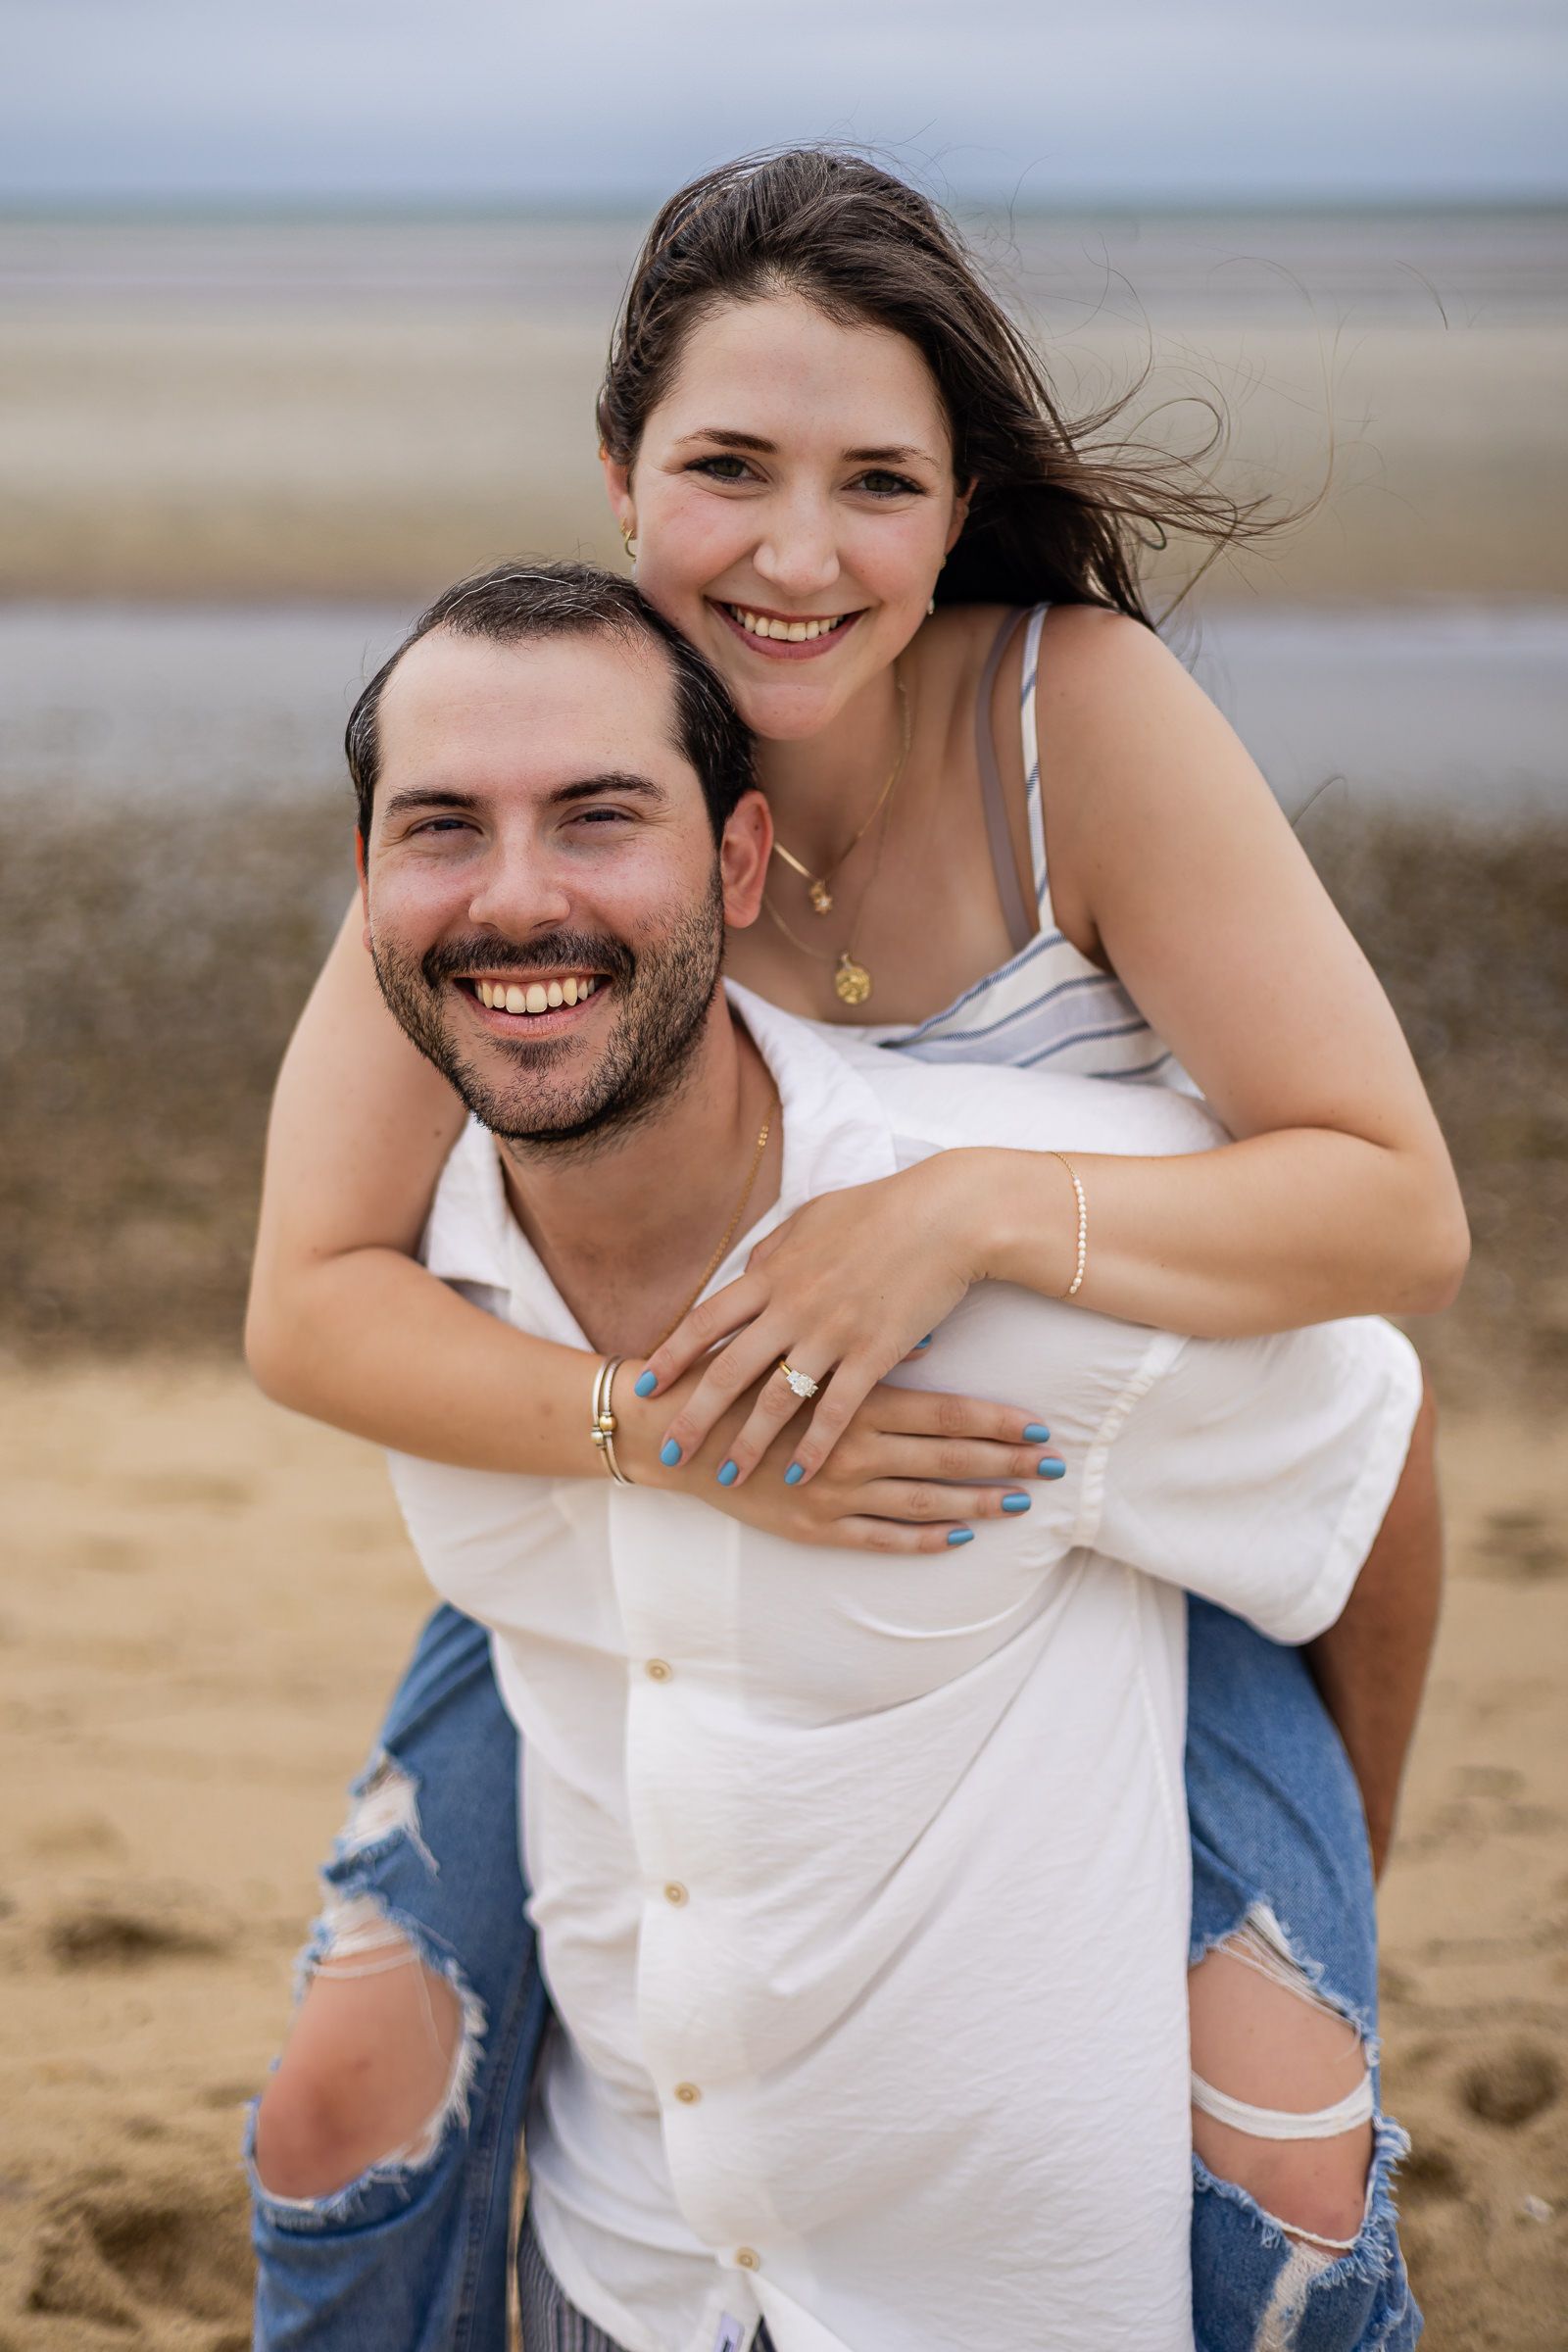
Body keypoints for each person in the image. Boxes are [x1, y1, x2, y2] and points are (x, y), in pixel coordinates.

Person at [244, 152, 1462, 2350]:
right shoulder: (543, 769)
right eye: (726, 468)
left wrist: (969, 1213)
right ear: (619, 477)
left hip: (1099, 1523)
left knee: (1264, 2115)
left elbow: (1390, 1215)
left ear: (950, 504)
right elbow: (307, 1297)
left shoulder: (1059, 717)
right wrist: (653, 1441)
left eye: (874, 484)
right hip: (656, 1480)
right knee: (353, 2078)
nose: (793, 556)